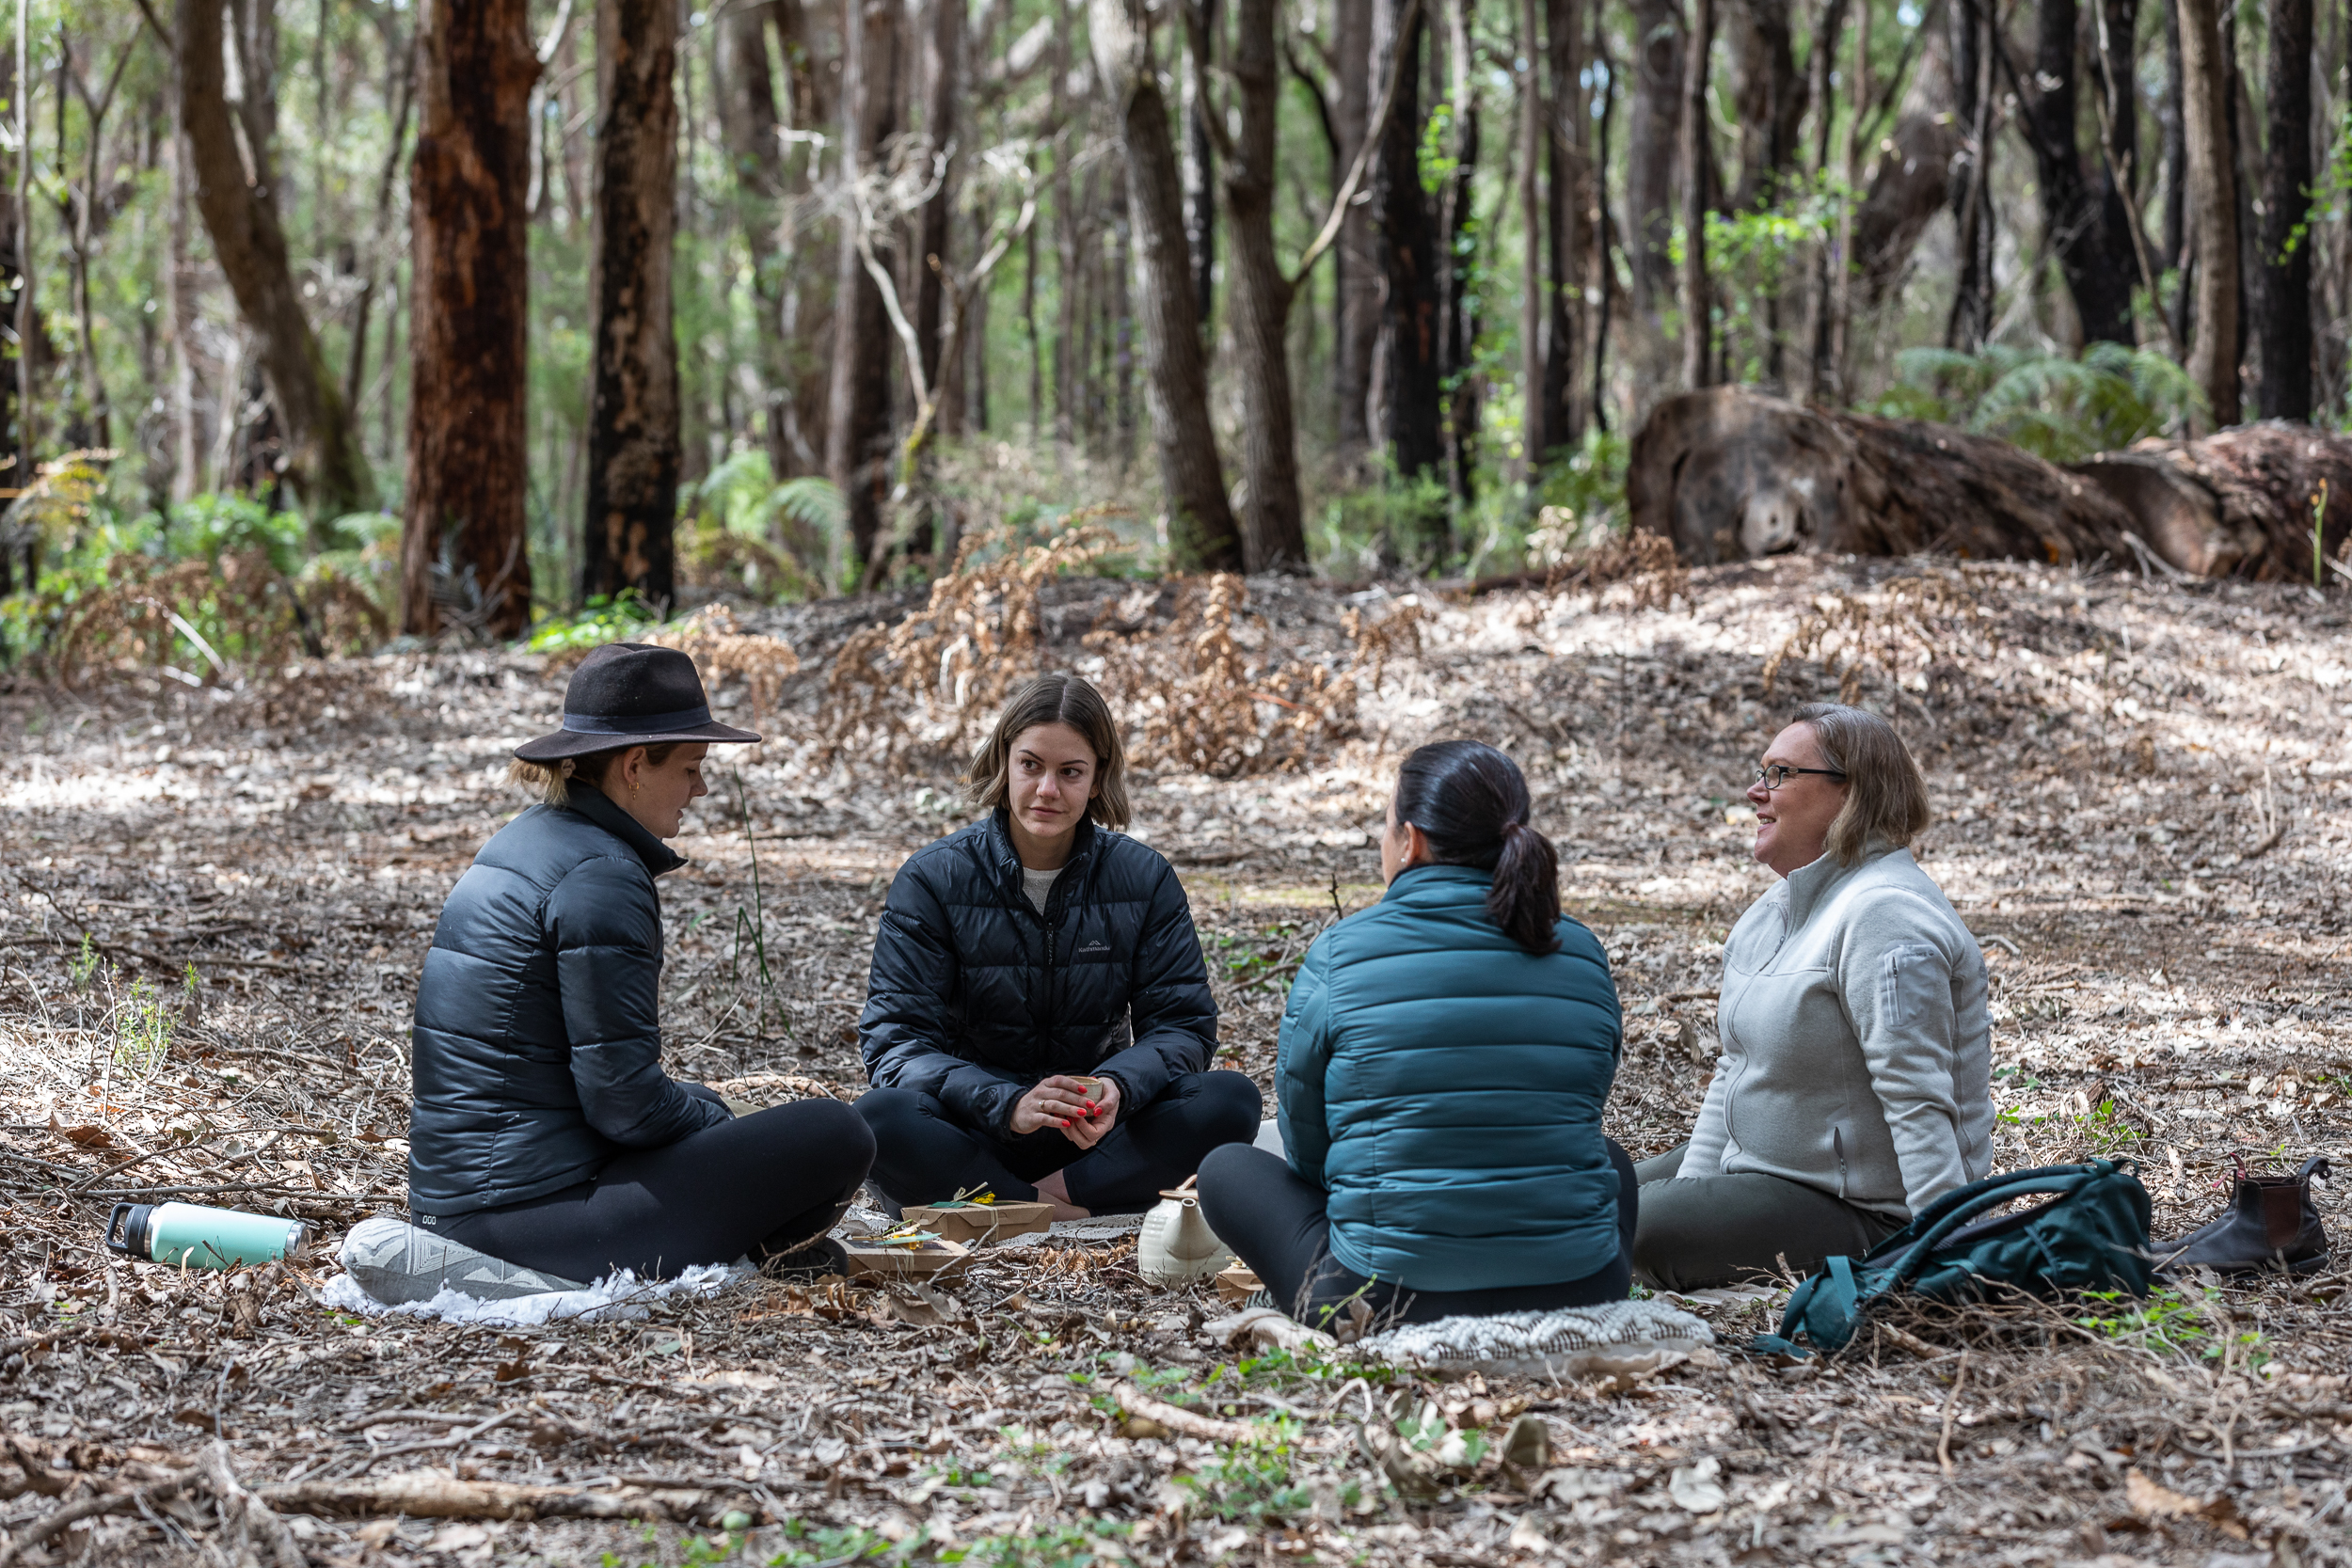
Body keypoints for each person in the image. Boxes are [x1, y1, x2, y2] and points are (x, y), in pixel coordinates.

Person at [406, 642, 875, 1282]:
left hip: (459, 1203)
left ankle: (759, 1245)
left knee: (711, 1109)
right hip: (524, 1222)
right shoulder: (604, 874)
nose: (701, 787)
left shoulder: (528, 838)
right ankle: (765, 1251)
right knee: (836, 1132)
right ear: (633, 765)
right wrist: (715, 1117)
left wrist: (700, 1107)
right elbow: (623, 1103)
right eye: (689, 767)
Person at [1197, 741, 1635, 1333]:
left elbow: (1306, 1141)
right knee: (1612, 1162)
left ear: (1412, 840)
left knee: (1226, 1167)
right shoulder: (1579, 949)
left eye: (1385, 827)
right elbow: (1580, 1108)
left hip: (1384, 1300)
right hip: (1581, 1290)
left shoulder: (1342, 953)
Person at [856, 673, 1260, 1218]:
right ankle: (1066, 1207)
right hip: (975, 1131)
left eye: (1070, 772)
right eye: (1031, 765)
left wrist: (1119, 1086)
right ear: (1004, 762)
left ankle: (1023, 1206)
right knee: (878, 1118)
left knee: (1231, 1101)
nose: (1047, 789)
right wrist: (1007, 1104)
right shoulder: (933, 879)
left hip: (1095, 1137)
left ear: (1097, 780)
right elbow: (895, 1044)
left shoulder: (1144, 878)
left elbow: (1183, 1026)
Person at [1631, 703, 1992, 1292]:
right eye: (1761, 771)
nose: (1755, 791)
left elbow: (1919, 1099)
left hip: (1865, 1212)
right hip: (1761, 1167)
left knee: (1635, 1226)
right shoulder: (1775, 913)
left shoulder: (1886, 917)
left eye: (1780, 774)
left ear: (1853, 794)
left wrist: (1940, 1253)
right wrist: (1695, 1192)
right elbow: (1734, 1068)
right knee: (1600, 1191)